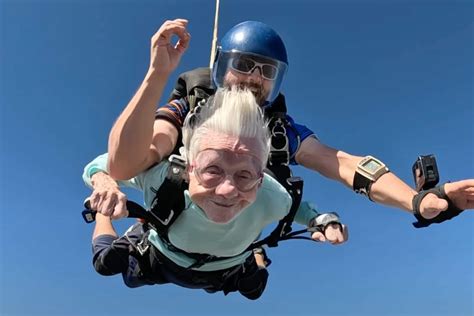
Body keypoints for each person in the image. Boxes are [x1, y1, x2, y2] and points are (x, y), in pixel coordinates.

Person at [101, 18, 473, 226]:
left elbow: (342, 163)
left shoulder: (278, 131)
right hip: (171, 244)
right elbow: (125, 162)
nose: (253, 78)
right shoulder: (191, 111)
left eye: (267, 71)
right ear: (221, 67)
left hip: (233, 258)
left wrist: (417, 199)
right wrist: (157, 75)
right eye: (243, 65)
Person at [83, 87, 349, 299]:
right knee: (105, 263)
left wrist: (323, 221)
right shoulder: (164, 175)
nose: (227, 190)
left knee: (255, 288)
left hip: (225, 269)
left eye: (245, 175)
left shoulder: (271, 194)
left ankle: (253, 255)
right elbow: (97, 166)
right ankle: (101, 215)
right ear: (190, 166)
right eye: (212, 170)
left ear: (260, 178)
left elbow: (294, 207)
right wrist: (107, 187)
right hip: (161, 257)